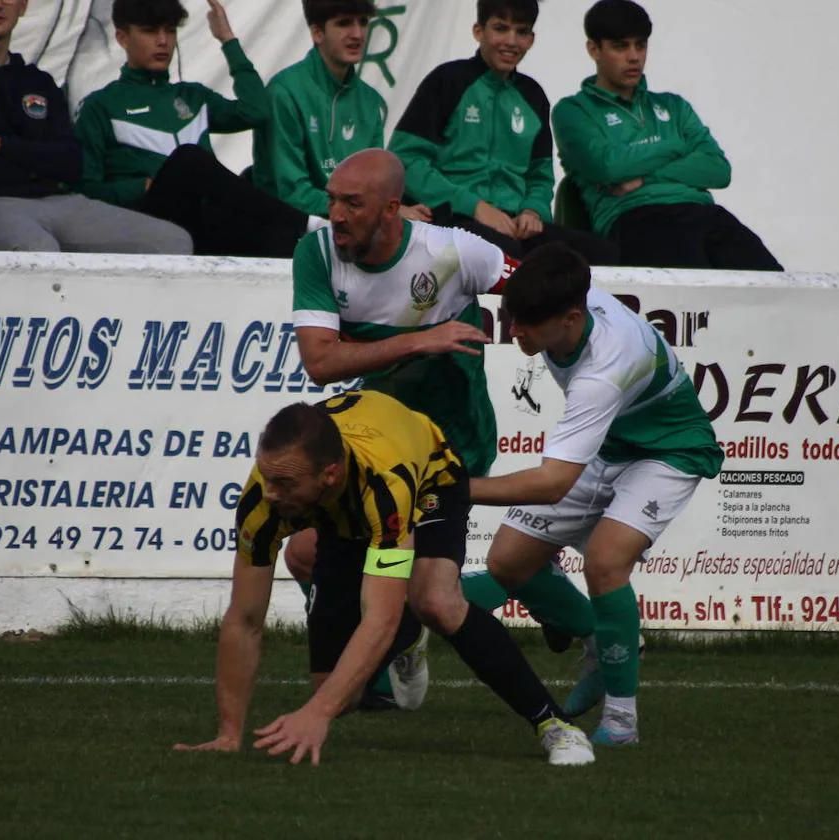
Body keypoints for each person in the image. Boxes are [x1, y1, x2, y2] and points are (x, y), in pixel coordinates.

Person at [284, 148, 600, 708]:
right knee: (308, 555)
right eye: (331, 200)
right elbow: (320, 361)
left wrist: (595, 370)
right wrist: (422, 339)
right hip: (373, 444)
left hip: (450, 443)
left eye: (350, 204)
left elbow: (541, 295)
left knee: (428, 589)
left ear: (391, 210)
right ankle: (399, 650)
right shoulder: (316, 252)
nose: (334, 215)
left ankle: (580, 629)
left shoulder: (454, 251)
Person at [174, 391, 595, 767]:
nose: (270, 493)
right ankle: (410, 635)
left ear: (329, 475)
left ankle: (553, 722)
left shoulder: (385, 490)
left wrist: (316, 713)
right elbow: (244, 619)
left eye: (283, 483)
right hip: (340, 511)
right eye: (265, 477)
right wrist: (228, 734)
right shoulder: (263, 500)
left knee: (434, 600)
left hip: (429, 476)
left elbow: (379, 617)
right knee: (339, 694)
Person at [469, 241, 724, 746]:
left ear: (570, 317)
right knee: (508, 562)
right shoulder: (563, 301)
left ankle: (622, 721)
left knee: (606, 562)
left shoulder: (604, 370)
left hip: (668, 449)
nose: (514, 331)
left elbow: (554, 481)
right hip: (609, 444)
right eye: (510, 317)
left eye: (526, 323)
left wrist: (457, 490)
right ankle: (598, 641)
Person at [0, 0, 192, 254]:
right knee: (37, 249)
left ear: (22, 5)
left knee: (172, 242)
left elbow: (70, 163)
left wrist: (1, 146)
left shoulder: (38, 82)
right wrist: (38, 163)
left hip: (57, 201)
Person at [75, 0, 322, 257]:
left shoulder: (192, 96)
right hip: (146, 223)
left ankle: (309, 240)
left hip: (206, 221)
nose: (163, 41)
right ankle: (306, 222)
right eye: (150, 31)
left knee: (278, 235)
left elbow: (256, 112)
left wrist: (228, 40)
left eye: (170, 30)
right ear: (122, 38)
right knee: (188, 159)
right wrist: (141, 186)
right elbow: (86, 190)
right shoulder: (100, 106)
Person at [552, 0, 782, 270]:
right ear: (594, 49)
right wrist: (676, 146)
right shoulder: (573, 111)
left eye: (641, 45)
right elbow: (609, 166)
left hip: (705, 214)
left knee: (778, 289)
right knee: (696, 290)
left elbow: (719, 170)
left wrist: (647, 176)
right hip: (637, 218)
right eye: (620, 46)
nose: (634, 56)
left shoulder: (674, 106)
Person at [388, 0, 617, 266]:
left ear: (531, 39)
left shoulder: (533, 96)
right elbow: (406, 161)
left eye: (521, 32)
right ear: (478, 31)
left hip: (515, 224)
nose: (511, 41)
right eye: (500, 28)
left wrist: (533, 210)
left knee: (604, 254)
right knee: (509, 256)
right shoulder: (447, 80)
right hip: (451, 218)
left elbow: (540, 176)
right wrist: (475, 206)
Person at [252, 0, 430, 223]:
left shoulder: (370, 101)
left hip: (350, 226)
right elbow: (292, 192)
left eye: (363, 22)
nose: (357, 34)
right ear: (317, 32)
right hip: (285, 225)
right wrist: (375, 209)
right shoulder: (284, 92)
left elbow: (372, 185)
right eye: (344, 23)